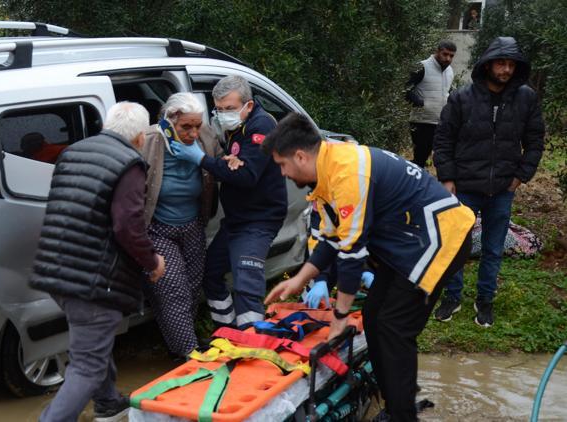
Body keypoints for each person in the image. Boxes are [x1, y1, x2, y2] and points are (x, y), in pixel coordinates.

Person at [263, 113, 474, 421]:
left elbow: (351, 253)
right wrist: (300, 279)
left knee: (394, 327)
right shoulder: (328, 170)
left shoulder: (347, 174)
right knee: (375, 315)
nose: (282, 173)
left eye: (282, 165)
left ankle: (402, 415)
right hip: (411, 241)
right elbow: (332, 240)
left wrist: (339, 316)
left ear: (299, 155)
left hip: (441, 238)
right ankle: (396, 404)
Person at [29, 102, 166, 422]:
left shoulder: (74, 152)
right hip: (92, 279)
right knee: (87, 366)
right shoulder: (130, 163)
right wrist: (152, 261)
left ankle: (106, 402)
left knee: (92, 341)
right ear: (140, 137)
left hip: (56, 268)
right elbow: (127, 226)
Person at [433, 36, 545, 327]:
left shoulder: (526, 98)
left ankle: (485, 300)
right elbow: (443, 139)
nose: (506, 70)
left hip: (502, 189)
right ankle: (452, 297)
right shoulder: (462, 98)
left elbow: (535, 140)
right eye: (501, 63)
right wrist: (447, 178)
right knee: (455, 245)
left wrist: (522, 175)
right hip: (464, 187)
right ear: (488, 64)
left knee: (493, 249)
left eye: (511, 65)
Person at [172, 75, 288, 328]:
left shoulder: (261, 127)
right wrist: (226, 162)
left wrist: (202, 160)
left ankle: (251, 344)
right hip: (237, 219)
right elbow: (237, 163)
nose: (224, 114)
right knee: (211, 272)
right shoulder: (238, 126)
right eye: (220, 109)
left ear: (248, 105)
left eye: (230, 109)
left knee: (246, 284)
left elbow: (247, 176)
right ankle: (227, 332)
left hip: (258, 219)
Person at [140, 92, 224, 358]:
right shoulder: (150, 141)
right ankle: (189, 353)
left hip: (193, 224)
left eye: (197, 126)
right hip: (158, 228)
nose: (192, 133)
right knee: (173, 288)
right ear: (169, 121)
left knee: (192, 286)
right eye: (185, 127)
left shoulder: (206, 137)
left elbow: (221, 164)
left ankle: (181, 341)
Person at [405, 40, 457, 168]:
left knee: (443, 157)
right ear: (437, 51)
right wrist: (419, 102)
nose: (448, 58)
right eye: (445, 54)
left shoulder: (450, 71)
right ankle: (413, 182)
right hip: (421, 122)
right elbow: (405, 89)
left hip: (441, 122)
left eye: (451, 56)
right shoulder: (422, 67)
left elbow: (447, 92)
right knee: (420, 158)